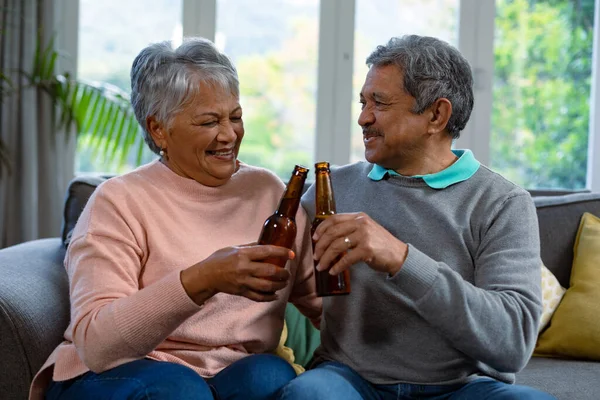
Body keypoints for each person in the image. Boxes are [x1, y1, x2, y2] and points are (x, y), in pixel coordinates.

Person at [28, 37, 321, 400]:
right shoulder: (118, 202)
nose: (230, 134)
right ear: (159, 129)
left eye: (236, 116)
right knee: (179, 389)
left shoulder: (267, 191)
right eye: (209, 121)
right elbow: (98, 346)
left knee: (269, 374)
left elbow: (319, 301)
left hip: (226, 371)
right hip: (119, 373)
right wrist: (202, 279)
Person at [279, 35, 555, 399]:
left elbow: (512, 343)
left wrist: (401, 258)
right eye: (363, 102)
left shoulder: (502, 203)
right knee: (310, 394)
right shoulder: (331, 190)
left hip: (461, 388)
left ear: (436, 115)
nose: (363, 117)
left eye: (380, 103)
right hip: (350, 380)